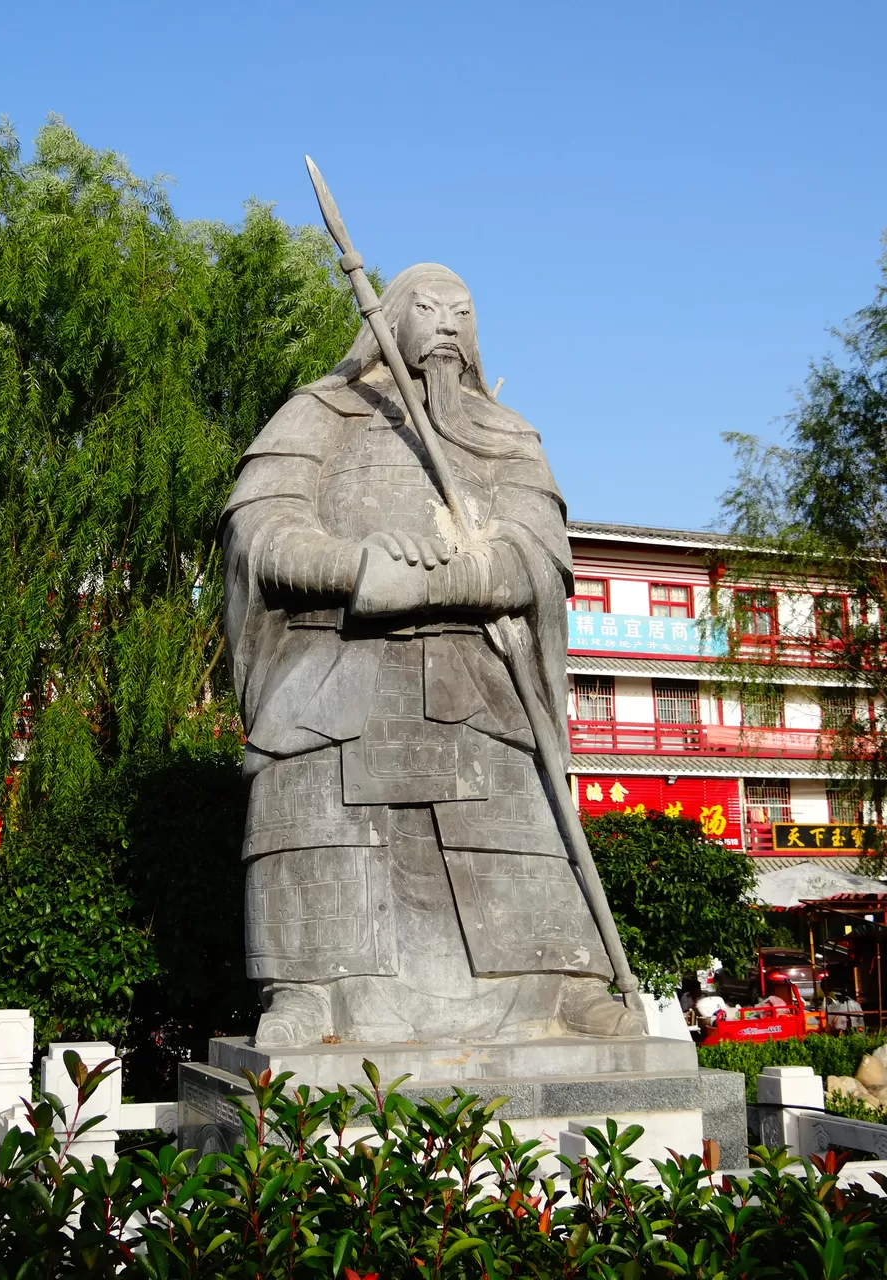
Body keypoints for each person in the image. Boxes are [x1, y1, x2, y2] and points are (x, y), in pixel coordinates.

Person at [220, 263, 645, 1047]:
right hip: (336, 668)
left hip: (471, 678)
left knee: (520, 827)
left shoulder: (505, 432)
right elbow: (261, 527)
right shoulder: (319, 413)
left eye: (461, 310)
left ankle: (560, 986)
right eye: (427, 307)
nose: (446, 323)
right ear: (389, 315)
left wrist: (457, 574)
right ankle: (310, 992)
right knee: (314, 820)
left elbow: (539, 553)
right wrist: (355, 567)